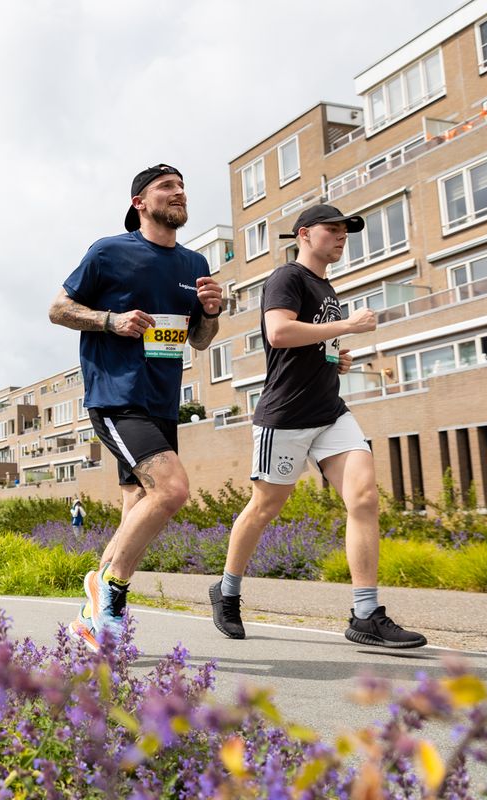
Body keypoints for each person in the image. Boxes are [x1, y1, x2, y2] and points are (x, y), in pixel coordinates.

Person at [209, 204, 426, 649]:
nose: (342, 236)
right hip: (286, 416)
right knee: (265, 508)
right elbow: (279, 334)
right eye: (333, 229)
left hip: (330, 411)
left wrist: (335, 355)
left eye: (346, 230)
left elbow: (311, 342)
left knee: (364, 498)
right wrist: (347, 325)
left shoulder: (326, 286)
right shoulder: (286, 278)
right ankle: (227, 592)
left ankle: (365, 614)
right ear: (304, 234)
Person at [47, 163, 223, 648]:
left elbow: (202, 341)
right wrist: (111, 320)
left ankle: (95, 618)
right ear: (139, 203)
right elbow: (58, 309)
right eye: (167, 187)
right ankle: (108, 588)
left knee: (138, 506)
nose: (179, 192)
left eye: (183, 186)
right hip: (117, 395)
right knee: (172, 490)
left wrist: (211, 312)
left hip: (163, 401)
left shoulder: (195, 265)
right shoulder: (109, 252)